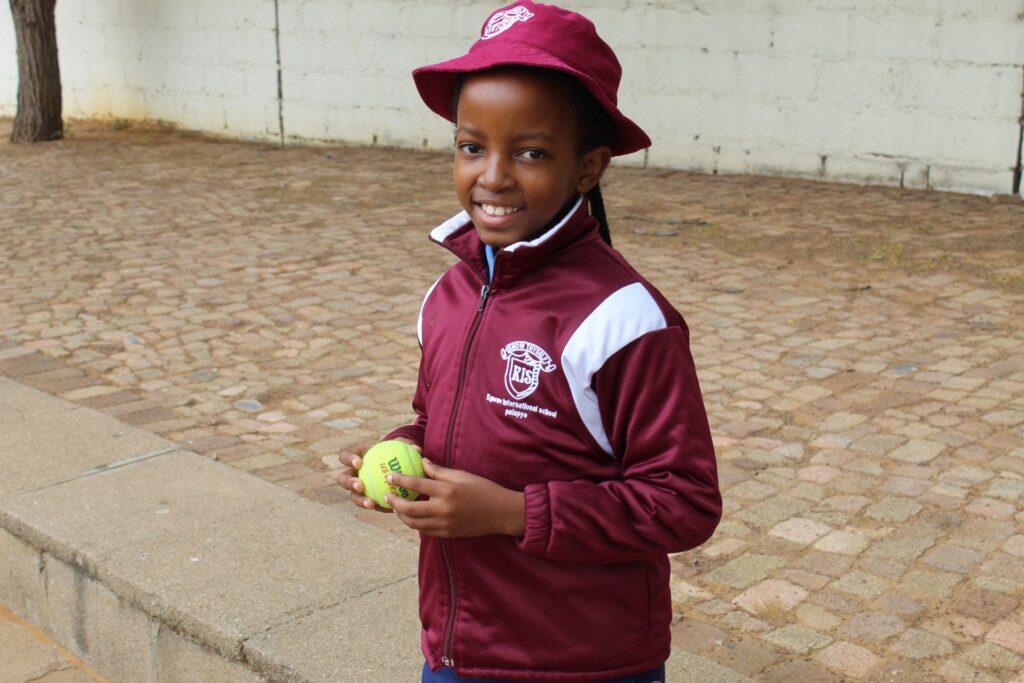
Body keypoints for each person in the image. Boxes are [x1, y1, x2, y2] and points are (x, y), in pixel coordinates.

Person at [337, 3, 721, 681]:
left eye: (531, 152)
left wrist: (512, 513)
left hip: (586, 662)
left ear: (588, 168)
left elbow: (684, 501)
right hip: (458, 653)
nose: (493, 175)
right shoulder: (448, 295)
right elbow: (437, 419)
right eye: (471, 146)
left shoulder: (625, 319)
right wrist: (401, 455)